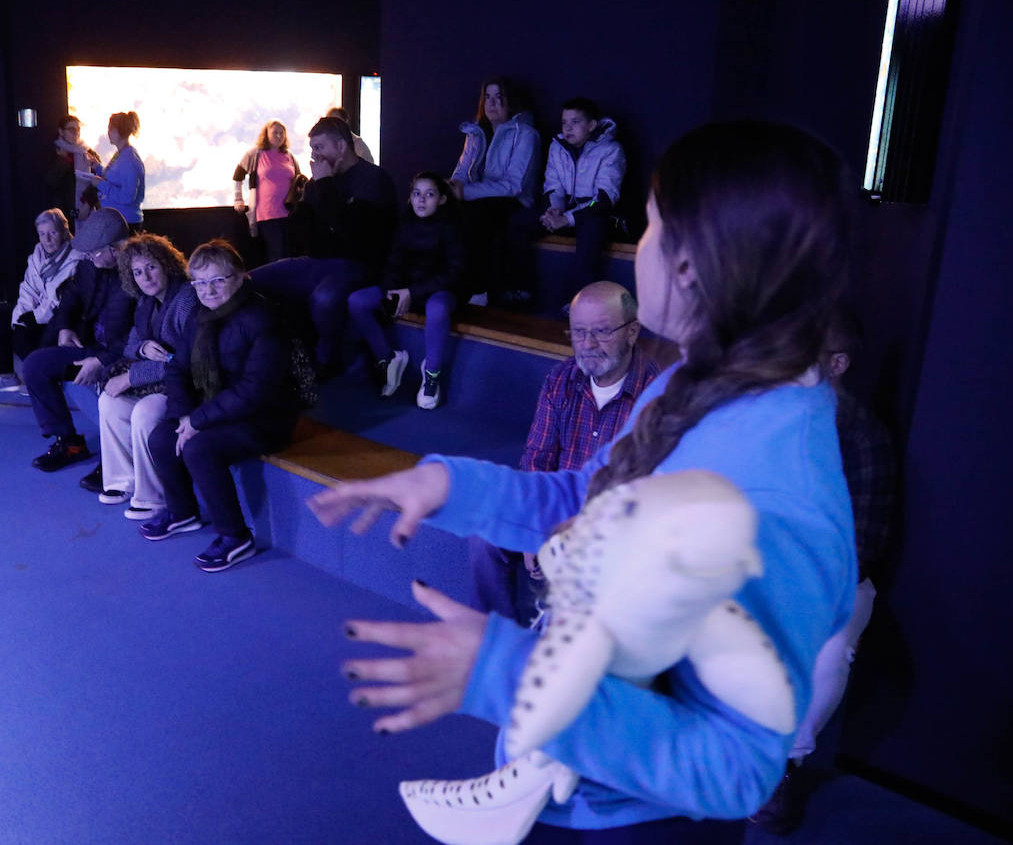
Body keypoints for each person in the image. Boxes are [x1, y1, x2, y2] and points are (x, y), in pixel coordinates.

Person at [309, 120, 857, 842]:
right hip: (575, 788)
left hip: (630, 821)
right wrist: (447, 486)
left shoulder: (777, 486)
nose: (642, 247)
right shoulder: (693, 384)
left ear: (692, 265)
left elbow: (735, 767)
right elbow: (588, 498)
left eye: (654, 226)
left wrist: (501, 670)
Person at [752, 307, 896, 835]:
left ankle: (780, 768)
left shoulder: (863, 438)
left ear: (836, 363)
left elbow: (865, 544)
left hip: (827, 580)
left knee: (834, 639)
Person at [470, 281, 662, 624]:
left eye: (602, 332)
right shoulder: (560, 380)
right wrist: (533, 529)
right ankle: (495, 630)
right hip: (556, 504)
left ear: (632, 332)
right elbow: (537, 460)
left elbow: (643, 494)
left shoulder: (656, 398)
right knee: (484, 528)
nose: (587, 345)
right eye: (578, 332)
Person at [142, 240, 302, 572]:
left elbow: (255, 391)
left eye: (217, 280)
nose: (207, 290)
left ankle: (235, 537)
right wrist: (185, 415)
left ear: (241, 277)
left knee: (199, 449)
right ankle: (183, 512)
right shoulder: (201, 316)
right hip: (215, 409)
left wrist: (198, 421)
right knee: (161, 436)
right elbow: (177, 369)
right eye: (199, 282)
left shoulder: (263, 318)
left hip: (265, 417)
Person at [250, 116, 398, 376]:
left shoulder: (373, 179)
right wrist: (310, 194)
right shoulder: (320, 181)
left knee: (324, 298)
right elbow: (302, 233)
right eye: (312, 149)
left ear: (340, 146)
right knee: (250, 281)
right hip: (317, 261)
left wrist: (326, 185)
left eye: (319, 147)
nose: (314, 155)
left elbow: (355, 236)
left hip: (360, 264)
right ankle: (280, 355)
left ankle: (326, 360)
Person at [88, 234, 198, 518]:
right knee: (109, 403)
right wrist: (143, 347)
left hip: (186, 384)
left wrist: (131, 377)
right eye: (137, 272)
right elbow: (129, 346)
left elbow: (188, 361)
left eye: (151, 267)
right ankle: (123, 481)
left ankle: (154, 496)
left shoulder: (186, 299)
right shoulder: (146, 303)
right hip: (156, 381)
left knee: (144, 412)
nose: (145, 277)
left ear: (167, 264)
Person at [23, 208, 135, 472]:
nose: (88, 255)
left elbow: (141, 335)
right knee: (35, 365)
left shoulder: (138, 275)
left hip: (124, 355)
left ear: (116, 249)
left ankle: (118, 456)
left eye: (95, 251)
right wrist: (63, 327)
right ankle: (70, 442)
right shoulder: (90, 264)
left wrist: (101, 359)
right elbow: (71, 295)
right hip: (90, 346)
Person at [346, 171, 464, 409]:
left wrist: (412, 292)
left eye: (429, 195)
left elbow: (453, 273)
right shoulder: (405, 223)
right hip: (407, 289)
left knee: (438, 308)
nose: (421, 200)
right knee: (357, 301)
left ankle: (431, 374)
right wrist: (392, 290)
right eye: (416, 194)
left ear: (441, 199)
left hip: (440, 290)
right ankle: (388, 357)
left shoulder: (452, 226)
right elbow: (393, 263)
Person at [449, 77, 541, 304]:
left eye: (499, 98)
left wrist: (465, 193)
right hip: (481, 200)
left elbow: (514, 185)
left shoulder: (526, 134)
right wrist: (447, 190)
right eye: (487, 98)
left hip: (515, 201)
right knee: (433, 205)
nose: (492, 104)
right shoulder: (475, 133)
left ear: (510, 102)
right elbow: (461, 173)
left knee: (476, 216)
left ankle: (479, 289)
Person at [0, 208, 84, 395]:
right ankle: (7, 377)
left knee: (21, 336)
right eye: (42, 234)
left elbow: (60, 298)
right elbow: (28, 289)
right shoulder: (37, 256)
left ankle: (42, 376)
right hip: (36, 313)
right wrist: (21, 316)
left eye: (52, 232)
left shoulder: (76, 258)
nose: (47, 239)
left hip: (61, 319)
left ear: (64, 231)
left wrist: (33, 317)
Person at [539, 98, 625, 286]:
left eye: (575, 122)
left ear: (592, 125)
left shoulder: (611, 150)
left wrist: (567, 218)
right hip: (566, 213)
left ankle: (579, 300)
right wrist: (555, 209)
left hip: (596, 213)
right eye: (564, 122)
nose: (568, 128)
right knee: (519, 222)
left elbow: (603, 200)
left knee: (592, 226)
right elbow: (553, 186)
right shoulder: (558, 147)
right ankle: (518, 291)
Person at [232, 119, 305, 263]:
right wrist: (238, 198)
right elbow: (238, 176)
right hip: (268, 214)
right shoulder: (255, 154)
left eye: (281, 133)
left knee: (291, 254)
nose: (279, 136)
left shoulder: (289, 156)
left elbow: (299, 181)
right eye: (275, 133)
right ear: (266, 134)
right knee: (276, 254)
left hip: (290, 213)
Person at [86, 111, 146, 227]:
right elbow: (113, 178)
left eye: (111, 129)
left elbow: (127, 196)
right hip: (118, 219)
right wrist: (97, 167)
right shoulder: (121, 154)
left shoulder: (129, 159)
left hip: (126, 222)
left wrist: (100, 184)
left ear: (120, 131)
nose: (108, 133)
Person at [49, 116, 101, 226]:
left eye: (78, 130)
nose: (76, 133)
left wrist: (88, 202)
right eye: (71, 129)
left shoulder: (88, 152)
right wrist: (63, 160)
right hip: (64, 214)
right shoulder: (54, 151)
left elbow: (99, 181)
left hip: (88, 210)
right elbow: (50, 182)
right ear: (61, 131)